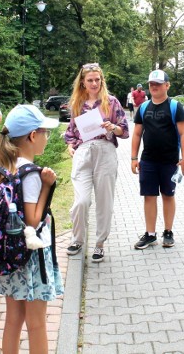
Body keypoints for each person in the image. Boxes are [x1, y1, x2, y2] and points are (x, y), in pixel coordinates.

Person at [0, 105, 63, 354]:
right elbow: (32, 219)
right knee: (37, 323)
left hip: (10, 254)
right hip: (32, 256)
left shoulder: (4, 167)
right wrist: (46, 187)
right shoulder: (30, 174)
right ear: (32, 136)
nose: (46, 138)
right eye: (44, 133)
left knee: (13, 320)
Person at [64, 63, 129, 263]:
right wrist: (70, 146)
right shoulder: (77, 104)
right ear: (83, 82)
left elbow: (124, 130)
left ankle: (100, 244)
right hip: (84, 152)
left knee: (104, 201)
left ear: (101, 80)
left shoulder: (111, 102)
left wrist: (113, 127)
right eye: (90, 80)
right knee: (81, 201)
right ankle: (78, 239)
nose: (94, 83)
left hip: (105, 151)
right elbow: (70, 133)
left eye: (97, 80)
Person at [131, 70, 184, 249]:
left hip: (169, 161)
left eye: (158, 83)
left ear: (167, 85)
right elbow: (137, 133)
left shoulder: (174, 106)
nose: (154, 87)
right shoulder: (143, 108)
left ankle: (168, 231)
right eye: (151, 84)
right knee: (149, 196)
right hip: (148, 160)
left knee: (168, 195)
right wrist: (134, 157)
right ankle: (150, 234)